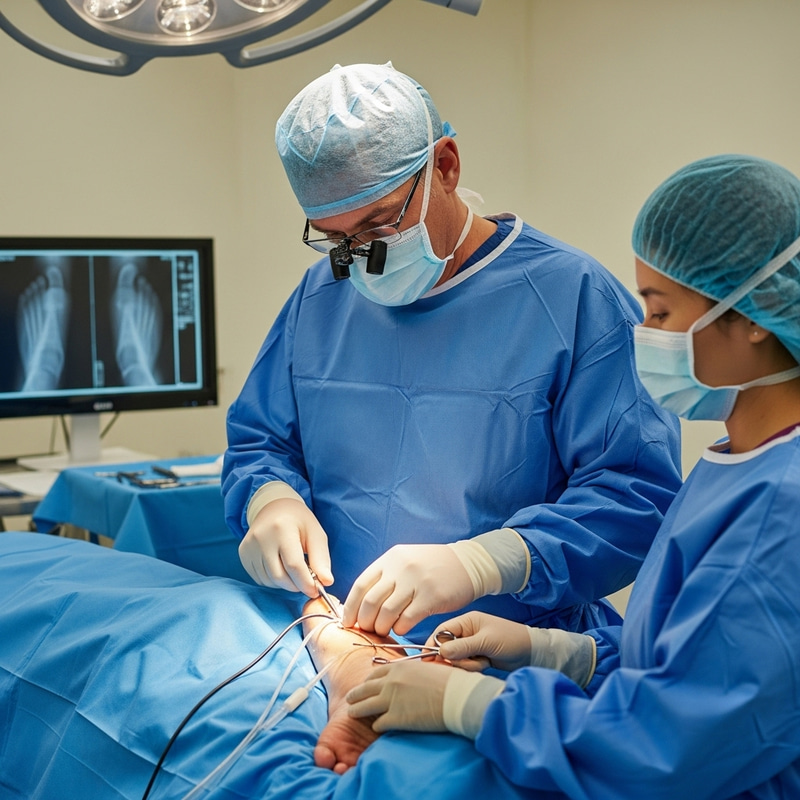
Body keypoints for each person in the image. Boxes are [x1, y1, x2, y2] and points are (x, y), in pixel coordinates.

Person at [344, 154, 800, 798]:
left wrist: (470, 705)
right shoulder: (739, 462)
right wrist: (554, 652)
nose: (643, 333)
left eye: (662, 312)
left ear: (754, 316)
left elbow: (665, 751)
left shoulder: (781, 506)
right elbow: (684, 667)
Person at [222, 62, 682, 643]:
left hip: (501, 658)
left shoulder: (573, 298)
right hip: (335, 640)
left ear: (444, 166)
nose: (362, 258)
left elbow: (636, 495)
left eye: (378, 226)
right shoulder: (321, 295)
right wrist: (270, 498)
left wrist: (486, 563)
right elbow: (261, 438)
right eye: (337, 239)